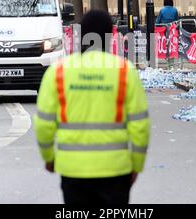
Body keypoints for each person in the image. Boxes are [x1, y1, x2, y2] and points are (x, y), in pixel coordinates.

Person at [34, 10, 150, 205]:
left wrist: (49, 157)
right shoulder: (124, 71)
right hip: (115, 169)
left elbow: (44, 123)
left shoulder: (59, 71)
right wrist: (136, 165)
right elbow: (140, 126)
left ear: (81, 35)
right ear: (110, 36)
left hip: (72, 169)